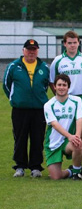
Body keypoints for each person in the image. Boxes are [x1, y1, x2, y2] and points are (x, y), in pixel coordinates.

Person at [3, 39, 49, 177]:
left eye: (34, 49)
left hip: (38, 109)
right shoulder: (14, 66)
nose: (31, 52)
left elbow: (45, 86)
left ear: (37, 51)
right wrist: (15, 99)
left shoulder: (44, 67)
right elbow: (6, 85)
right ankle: (20, 166)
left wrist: (37, 98)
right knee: (20, 137)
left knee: (37, 137)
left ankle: (35, 167)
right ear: (23, 51)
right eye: (29, 49)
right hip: (20, 109)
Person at [43, 74, 82, 180]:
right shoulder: (48, 105)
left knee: (78, 143)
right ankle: (71, 171)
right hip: (54, 142)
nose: (61, 87)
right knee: (55, 177)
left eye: (64, 85)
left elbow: (79, 119)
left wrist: (77, 137)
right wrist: (70, 136)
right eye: (59, 85)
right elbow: (54, 124)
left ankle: (77, 172)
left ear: (68, 87)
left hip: (68, 141)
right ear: (55, 87)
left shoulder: (76, 101)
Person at [50, 31, 82, 115]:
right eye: (69, 43)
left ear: (78, 43)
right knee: (64, 125)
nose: (72, 45)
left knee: (80, 125)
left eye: (75, 42)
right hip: (64, 98)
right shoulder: (57, 60)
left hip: (81, 98)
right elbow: (52, 81)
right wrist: (59, 94)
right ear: (64, 44)